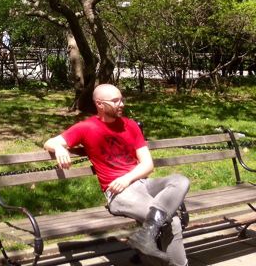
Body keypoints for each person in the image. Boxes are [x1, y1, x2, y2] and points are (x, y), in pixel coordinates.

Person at [43, 84, 189, 266]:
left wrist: (127, 178)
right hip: (119, 193)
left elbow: (148, 164)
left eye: (121, 99)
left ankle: (145, 236)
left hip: (140, 183)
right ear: (100, 104)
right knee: (172, 220)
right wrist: (58, 147)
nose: (121, 104)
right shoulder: (86, 127)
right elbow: (50, 142)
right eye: (115, 101)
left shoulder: (131, 125)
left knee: (180, 180)